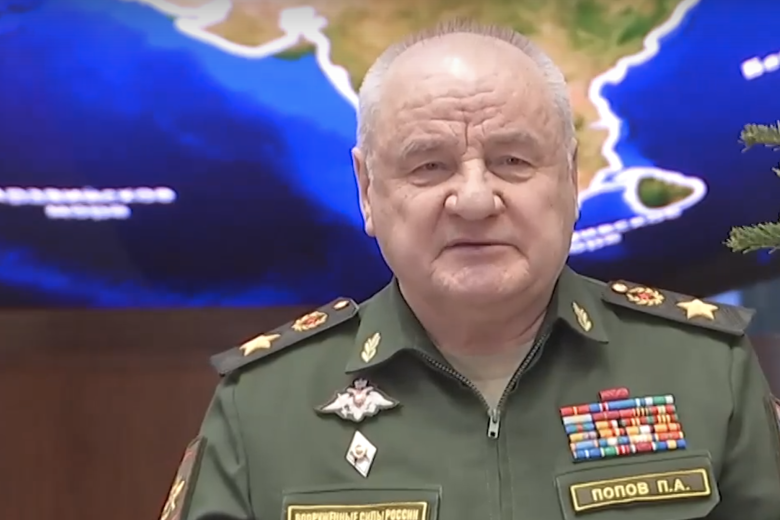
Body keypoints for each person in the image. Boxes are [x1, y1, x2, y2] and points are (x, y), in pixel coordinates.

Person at [159, 20, 780, 520]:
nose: (476, 200)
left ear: (571, 179)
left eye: (512, 160)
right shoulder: (264, 406)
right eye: (429, 166)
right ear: (368, 191)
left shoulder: (705, 373)